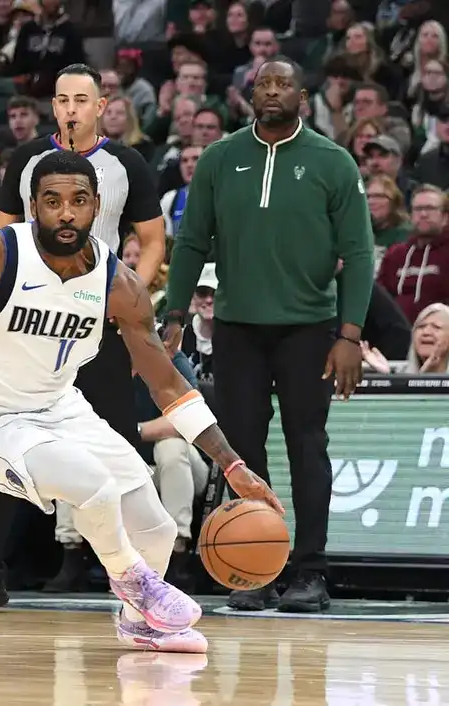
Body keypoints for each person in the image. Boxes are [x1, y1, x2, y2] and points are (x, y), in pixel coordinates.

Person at [0, 150, 283, 654]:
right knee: (92, 486)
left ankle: (138, 623)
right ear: (33, 206)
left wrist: (231, 464)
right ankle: (135, 583)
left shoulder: (120, 284)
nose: (66, 213)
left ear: (97, 206)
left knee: (156, 527)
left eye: (77, 201)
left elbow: (168, 385)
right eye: (52, 202)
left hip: (63, 410)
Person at [0, 62, 167, 613]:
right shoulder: (27, 160)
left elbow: (153, 240)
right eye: (62, 99)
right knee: (10, 438)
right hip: (33, 316)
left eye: (81, 99)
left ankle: (133, 572)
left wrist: (135, 306)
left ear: (102, 103)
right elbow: (0, 235)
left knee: (114, 445)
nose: (70, 109)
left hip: (98, 318)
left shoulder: (128, 163)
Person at [164, 57, 374, 614]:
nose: (274, 91)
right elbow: (190, 243)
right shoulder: (220, 157)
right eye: (264, 84)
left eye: (285, 84)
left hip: (309, 328)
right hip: (237, 327)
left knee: (308, 446)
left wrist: (349, 334)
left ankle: (311, 571)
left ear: (304, 96)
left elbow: (357, 253)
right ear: (250, 95)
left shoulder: (332, 161)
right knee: (243, 453)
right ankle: (256, 570)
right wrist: (174, 313)